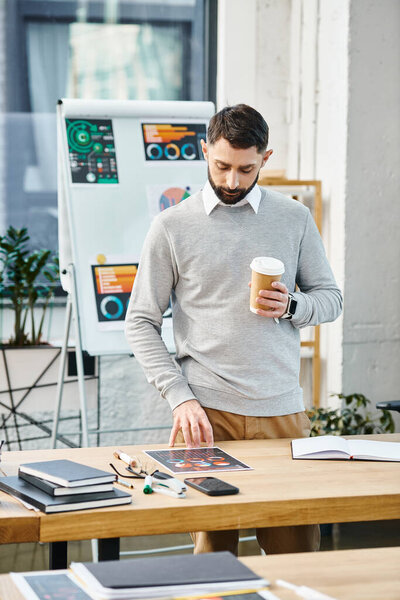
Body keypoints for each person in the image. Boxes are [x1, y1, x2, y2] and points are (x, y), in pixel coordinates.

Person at [125, 104, 343, 555]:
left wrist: (293, 304)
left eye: (245, 169)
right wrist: (179, 396)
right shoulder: (171, 226)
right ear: (204, 150)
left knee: (296, 556)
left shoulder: (294, 218)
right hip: (205, 415)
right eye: (221, 166)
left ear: (266, 158)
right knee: (213, 561)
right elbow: (141, 321)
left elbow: (330, 299)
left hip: (281, 412)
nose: (231, 181)